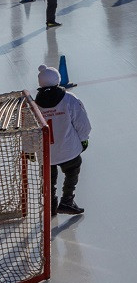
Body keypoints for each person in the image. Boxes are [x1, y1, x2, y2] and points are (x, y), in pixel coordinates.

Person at [34, 63, 92, 215]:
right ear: (57, 80)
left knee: (49, 178)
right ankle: (67, 200)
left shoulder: (33, 105)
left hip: (46, 153)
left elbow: (30, 130)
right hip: (68, 150)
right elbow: (82, 123)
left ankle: (50, 205)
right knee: (73, 169)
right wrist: (83, 139)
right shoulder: (69, 99)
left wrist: (29, 150)